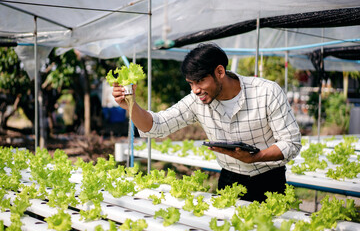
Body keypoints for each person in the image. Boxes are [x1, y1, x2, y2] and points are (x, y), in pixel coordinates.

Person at [112, 43, 302, 202]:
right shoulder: (197, 100)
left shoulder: (266, 92)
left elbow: (291, 143)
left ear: (219, 71)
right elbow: (156, 126)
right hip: (229, 179)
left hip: (269, 180)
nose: (195, 90)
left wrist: (256, 157)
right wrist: (130, 105)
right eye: (190, 83)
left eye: (200, 81)